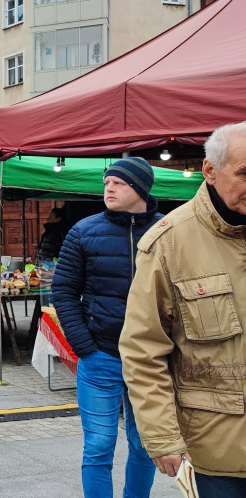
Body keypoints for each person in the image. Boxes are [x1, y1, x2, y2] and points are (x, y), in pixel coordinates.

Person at [121, 122, 246, 495]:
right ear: (210, 170)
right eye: (245, 173)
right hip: (216, 451)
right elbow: (143, 350)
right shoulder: (169, 243)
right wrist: (162, 437)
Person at [52, 157, 161, 498]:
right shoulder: (84, 231)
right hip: (101, 356)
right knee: (98, 446)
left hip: (152, 360)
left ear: (140, 188)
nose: (108, 188)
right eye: (106, 183)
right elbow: (64, 291)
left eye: (118, 183)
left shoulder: (167, 232)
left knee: (145, 446)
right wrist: (84, 346)